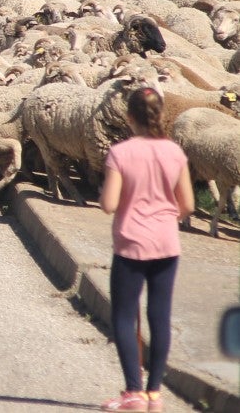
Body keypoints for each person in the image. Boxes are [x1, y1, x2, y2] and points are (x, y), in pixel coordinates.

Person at [98, 87, 194, 413]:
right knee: (159, 315)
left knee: (124, 317)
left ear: (129, 117)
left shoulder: (120, 153)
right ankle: (155, 395)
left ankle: (132, 395)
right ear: (161, 115)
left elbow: (109, 204)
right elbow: (188, 204)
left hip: (131, 243)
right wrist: (164, 217)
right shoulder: (174, 152)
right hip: (167, 243)